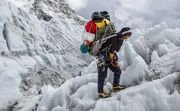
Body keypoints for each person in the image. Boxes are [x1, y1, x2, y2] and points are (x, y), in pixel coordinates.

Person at [80, 11, 131, 98]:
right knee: (102, 75)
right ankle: (100, 92)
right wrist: (111, 53)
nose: (126, 37)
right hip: (103, 56)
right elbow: (112, 46)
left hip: (107, 56)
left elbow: (115, 48)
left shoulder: (114, 36)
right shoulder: (112, 36)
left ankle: (115, 86)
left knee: (117, 71)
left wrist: (112, 53)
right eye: (126, 35)